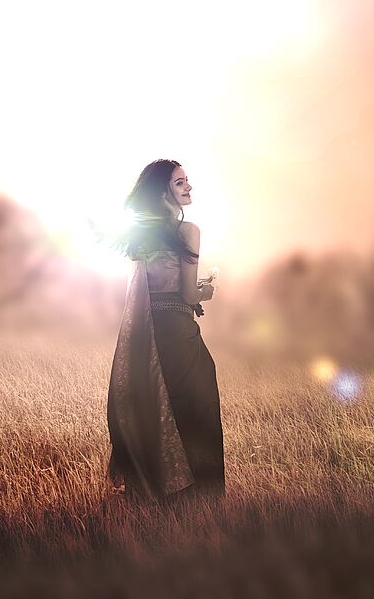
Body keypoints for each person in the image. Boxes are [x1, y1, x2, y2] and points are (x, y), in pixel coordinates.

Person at [106, 159, 225, 500]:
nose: (189, 187)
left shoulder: (141, 237)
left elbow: (155, 287)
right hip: (178, 331)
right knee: (196, 409)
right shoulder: (188, 232)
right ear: (162, 193)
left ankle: (160, 497)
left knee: (160, 409)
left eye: (187, 181)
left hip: (150, 331)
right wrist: (205, 292)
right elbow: (187, 294)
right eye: (179, 183)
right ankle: (201, 501)